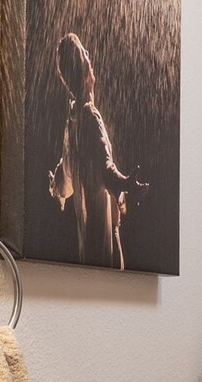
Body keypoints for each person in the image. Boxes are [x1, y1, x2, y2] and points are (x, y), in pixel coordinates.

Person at [46, 32, 146, 269]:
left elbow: (65, 177)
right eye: (85, 53)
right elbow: (105, 168)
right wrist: (126, 184)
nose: (90, 56)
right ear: (84, 69)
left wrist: (55, 185)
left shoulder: (73, 120)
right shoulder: (89, 116)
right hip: (101, 226)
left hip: (87, 230)